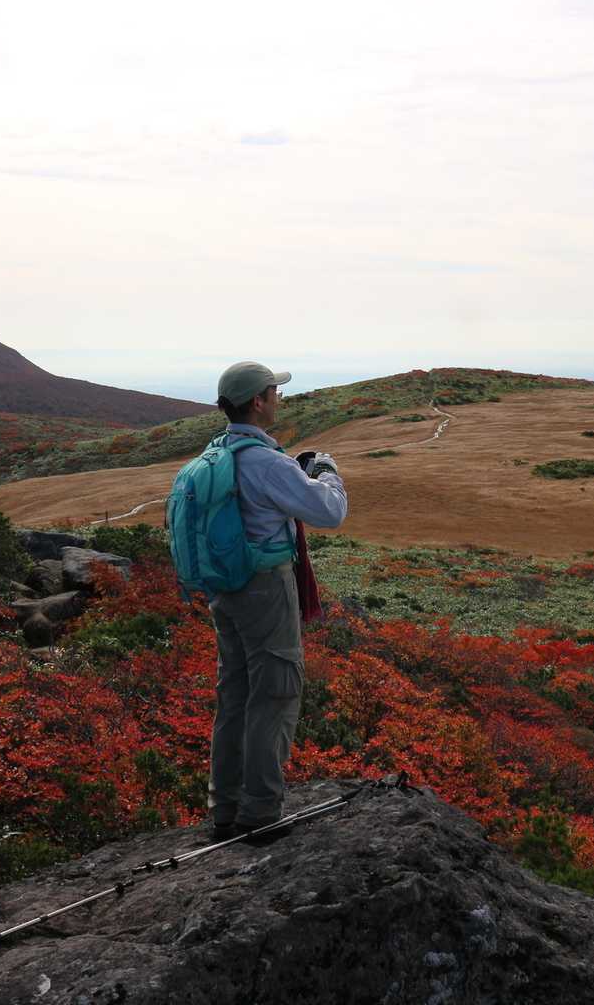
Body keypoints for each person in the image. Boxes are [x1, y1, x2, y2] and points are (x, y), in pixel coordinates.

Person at [207, 360, 348, 842]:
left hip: (225, 588)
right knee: (275, 693)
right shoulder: (265, 461)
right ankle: (261, 811)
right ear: (258, 401)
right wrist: (326, 472)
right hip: (265, 587)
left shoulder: (218, 453)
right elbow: (330, 511)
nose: (278, 398)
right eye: (274, 392)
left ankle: (225, 808)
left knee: (235, 695)